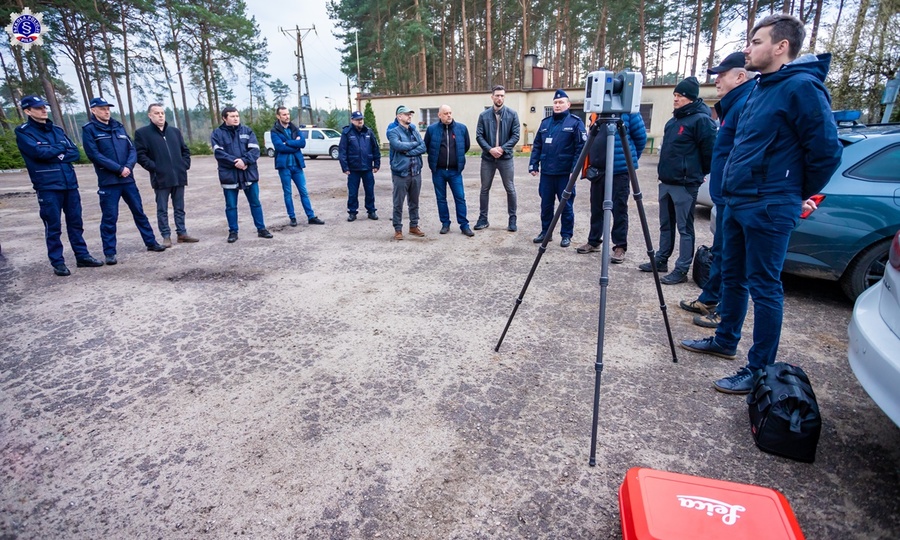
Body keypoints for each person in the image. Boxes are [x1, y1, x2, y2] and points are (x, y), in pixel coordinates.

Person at [681, 14, 842, 394]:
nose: (748, 48)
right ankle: (725, 339)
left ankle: (758, 370)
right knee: (732, 275)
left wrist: (789, 192)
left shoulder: (802, 87)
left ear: (780, 46)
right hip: (738, 201)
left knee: (765, 286)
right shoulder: (760, 88)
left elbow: (826, 152)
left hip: (770, 205)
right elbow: (738, 144)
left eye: (756, 41)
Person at [678, 52, 756, 328]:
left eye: (722, 75)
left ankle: (725, 310)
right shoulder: (732, 105)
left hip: (738, 196)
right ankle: (710, 298)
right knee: (721, 252)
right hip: (725, 195)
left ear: (740, 76)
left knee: (735, 261)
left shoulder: (747, 103)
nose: (717, 80)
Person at [639, 76, 716, 284]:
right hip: (666, 182)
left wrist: (695, 174)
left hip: (685, 184)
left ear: (691, 97)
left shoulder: (702, 120)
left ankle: (681, 269)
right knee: (666, 224)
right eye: (674, 95)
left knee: (684, 228)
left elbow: (710, 153)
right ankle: (661, 259)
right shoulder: (673, 121)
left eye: (679, 96)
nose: (675, 99)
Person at [15, 95, 103, 276]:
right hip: (47, 186)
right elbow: (38, 153)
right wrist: (59, 149)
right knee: (53, 225)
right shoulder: (24, 132)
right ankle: (58, 262)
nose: (43, 110)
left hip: (69, 184)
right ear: (27, 111)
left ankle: (82, 256)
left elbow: (74, 153)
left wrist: (55, 152)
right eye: (38, 108)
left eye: (44, 107)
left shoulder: (56, 129)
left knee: (76, 222)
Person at [82, 97, 166, 265]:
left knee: (139, 212)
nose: (106, 111)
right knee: (110, 217)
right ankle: (110, 252)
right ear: (93, 110)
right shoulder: (89, 130)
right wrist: (118, 169)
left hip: (128, 179)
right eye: (102, 108)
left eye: (107, 108)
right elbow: (94, 155)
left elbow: (131, 149)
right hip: (109, 181)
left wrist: (128, 166)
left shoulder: (118, 127)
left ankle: (151, 242)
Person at [576, 111, 647, 263]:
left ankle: (620, 246)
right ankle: (594, 241)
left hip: (619, 171)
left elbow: (641, 139)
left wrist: (627, 160)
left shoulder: (629, 113)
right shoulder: (597, 113)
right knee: (596, 208)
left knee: (619, 209)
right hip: (597, 170)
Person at [134, 103, 198, 247]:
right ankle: (166, 235)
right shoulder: (143, 133)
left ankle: (182, 233)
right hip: (161, 178)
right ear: (150, 116)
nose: (160, 115)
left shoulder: (174, 132)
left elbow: (185, 150)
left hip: (178, 176)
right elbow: (140, 155)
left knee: (179, 207)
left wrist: (184, 165)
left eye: (162, 113)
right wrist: (155, 168)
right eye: (156, 113)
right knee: (162, 209)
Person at [527, 89, 586, 248]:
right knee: (546, 204)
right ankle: (546, 232)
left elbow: (581, 148)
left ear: (568, 104)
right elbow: (537, 145)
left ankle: (566, 235)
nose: (558, 105)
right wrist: (533, 164)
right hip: (547, 173)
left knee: (565, 205)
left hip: (565, 174)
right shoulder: (545, 123)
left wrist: (575, 169)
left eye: (561, 102)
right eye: (555, 102)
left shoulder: (575, 123)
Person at [211, 106, 273, 243]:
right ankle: (233, 231)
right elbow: (219, 153)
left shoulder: (247, 131)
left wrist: (244, 160)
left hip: (248, 173)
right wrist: (235, 162)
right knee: (231, 205)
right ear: (224, 118)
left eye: (237, 116)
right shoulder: (217, 134)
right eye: (232, 116)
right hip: (229, 174)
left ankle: (261, 229)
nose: (235, 118)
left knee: (255, 203)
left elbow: (255, 150)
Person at [474, 85, 520, 232]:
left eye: (502, 96)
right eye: (497, 95)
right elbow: (479, 136)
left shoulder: (512, 114)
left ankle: (512, 220)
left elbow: (515, 135)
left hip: (505, 158)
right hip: (488, 159)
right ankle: (483, 219)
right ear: (492, 97)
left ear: (504, 97)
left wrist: (502, 148)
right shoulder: (483, 116)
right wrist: (490, 149)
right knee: (484, 189)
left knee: (510, 189)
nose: (499, 98)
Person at [424, 104, 473, 237]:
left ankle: (464, 225)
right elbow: (427, 146)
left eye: (450, 112)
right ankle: (445, 224)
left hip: (455, 172)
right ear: (439, 115)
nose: (449, 115)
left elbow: (466, 146)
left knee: (460, 198)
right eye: (445, 113)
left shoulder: (461, 129)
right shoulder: (432, 129)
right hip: (438, 171)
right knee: (441, 199)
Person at [270, 106, 324, 227]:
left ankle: (311, 216)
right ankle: (292, 217)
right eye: (284, 114)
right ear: (278, 116)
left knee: (304, 192)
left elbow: (302, 143)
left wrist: (288, 142)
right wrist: (295, 144)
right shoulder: (274, 131)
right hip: (284, 167)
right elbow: (280, 147)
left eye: (288, 114)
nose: (287, 116)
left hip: (297, 166)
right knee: (287, 193)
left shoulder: (295, 128)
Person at [386, 105, 427, 240]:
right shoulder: (394, 131)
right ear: (399, 116)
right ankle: (398, 229)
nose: (409, 116)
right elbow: (397, 146)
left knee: (414, 202)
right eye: (406, 114)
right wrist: (415, 144)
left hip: (415, 172)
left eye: (411, 114)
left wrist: (408, 150)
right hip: (401, 173)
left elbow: (423, 146)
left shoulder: (414, 131)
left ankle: (413, 226)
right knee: (398, 202)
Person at [339, 110, 380, 221]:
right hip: (353, 169)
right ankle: (352, 212)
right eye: (357, 120)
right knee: (352, 192)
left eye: (361, 119)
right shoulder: (347, 133)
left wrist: (376, 164)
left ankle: (371, 211)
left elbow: (375, 148)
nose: (360, 121)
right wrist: (345, 167)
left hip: (367, 167)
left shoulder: (369, 132)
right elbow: (342, 151)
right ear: (352, 120)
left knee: (370, 191)